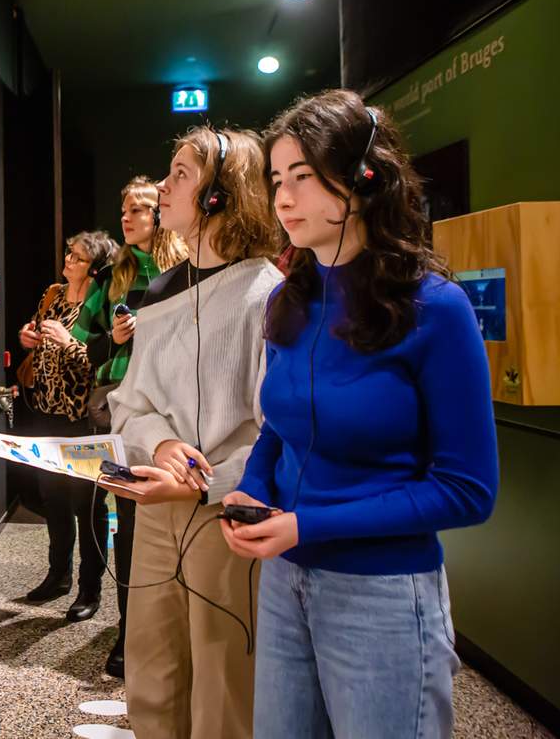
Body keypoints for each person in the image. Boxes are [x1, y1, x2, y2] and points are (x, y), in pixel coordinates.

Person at [220, 90, 498, 738]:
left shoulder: (437, 308)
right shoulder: (287, 303)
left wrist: (305, 524)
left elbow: (468, 491)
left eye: (303, 178)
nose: (282, 198)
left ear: (363, 180)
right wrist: (252, 487)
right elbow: (277, 431)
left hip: (383, 595)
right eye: (275, 180)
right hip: (286, 581)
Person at [104, 126, 281, 737]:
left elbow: (280, 431)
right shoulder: (157, 292)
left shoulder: (268, 294)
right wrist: (160, 444)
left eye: (180, 173)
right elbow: (130, 402)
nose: (162, 185)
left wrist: (205, 479)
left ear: (219, 195)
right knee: (151, 673)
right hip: (156, 507)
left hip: (227, 511)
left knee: (223, 681)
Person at [65, 176, 186, 677]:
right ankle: (127, 631)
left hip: (172, 408)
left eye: (139, 208)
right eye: (125, 208)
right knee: (129, 523)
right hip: (117, 405)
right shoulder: (117, 270)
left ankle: (162, 630)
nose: (128, 217)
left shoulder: (183, 266)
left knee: (167, 524)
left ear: (161, 213)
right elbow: (79, 336)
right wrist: (114, 339)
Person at [16, 230, 118, 614]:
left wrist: (68, 342)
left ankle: (89, 590)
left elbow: (105, 359)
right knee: (52, 497)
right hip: (46, 411)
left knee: (87, 503)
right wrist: (28, 337)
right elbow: (35, 329)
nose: (69, 261)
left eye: (77, 257)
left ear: (94, 269)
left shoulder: (103, 300)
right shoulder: (53, 294)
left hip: (83, 417)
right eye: (69, 254)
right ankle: (58, 574)